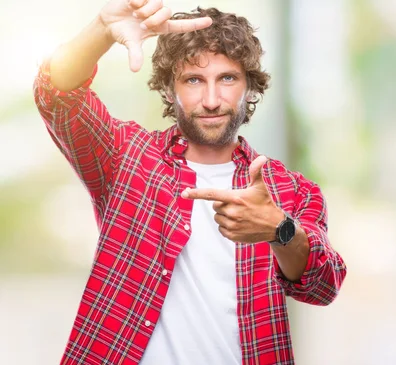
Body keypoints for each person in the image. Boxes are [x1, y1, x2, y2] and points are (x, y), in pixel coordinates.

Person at [33, 1, 347, 364]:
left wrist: (280, 229)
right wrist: (102, 28)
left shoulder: (291, 190)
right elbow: (57, 97)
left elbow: (324, 285)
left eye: (227, 78)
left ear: (250, 86)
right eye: (193, 80)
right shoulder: (126, 157)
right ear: (170, 89)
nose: (211, 100)